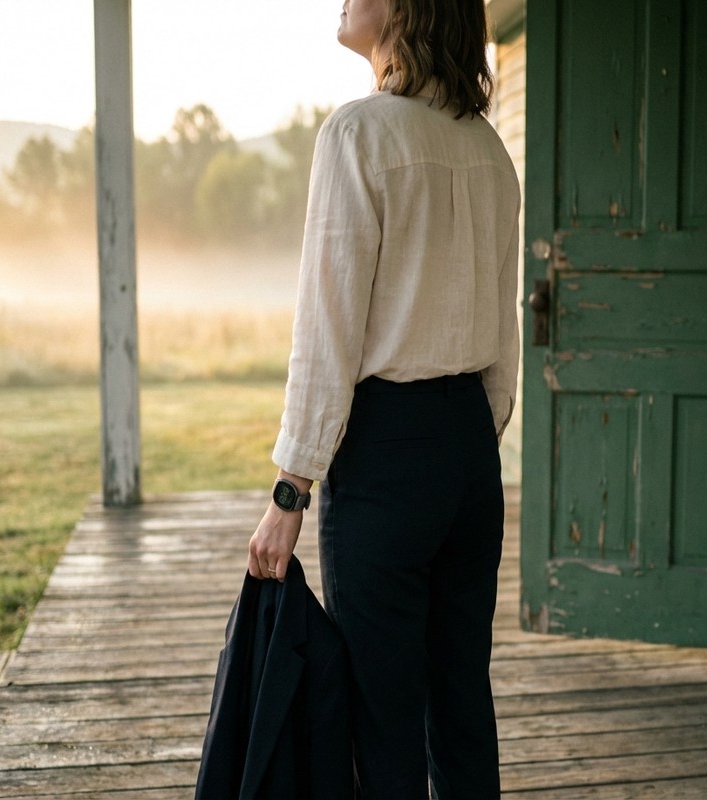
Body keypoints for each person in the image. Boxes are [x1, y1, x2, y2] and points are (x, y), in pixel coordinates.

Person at [246, 0, 520, 795]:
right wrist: (469, 438)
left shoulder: (358, 134)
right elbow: (503, 340)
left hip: (386, 456)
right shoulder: (489, 149)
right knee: (462, 702)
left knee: (381, 713)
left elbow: (326, 327)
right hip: (469, 450)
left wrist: (290, 489)